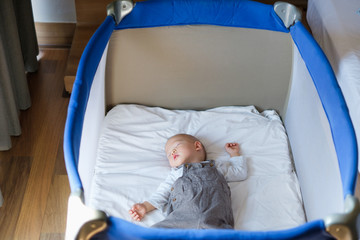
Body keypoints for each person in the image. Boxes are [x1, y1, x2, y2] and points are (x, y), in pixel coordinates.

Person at [129, 133, 248, 229]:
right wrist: (145, 206)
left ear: (197, 146)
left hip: (214, 220)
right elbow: (162, 193)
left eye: (176, 146)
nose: (172, 152)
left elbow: (239, 173)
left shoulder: (217, 167)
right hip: (180, 220)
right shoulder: (176, 174)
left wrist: (234, 154)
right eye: (169, 154)